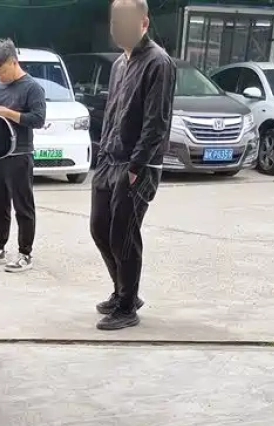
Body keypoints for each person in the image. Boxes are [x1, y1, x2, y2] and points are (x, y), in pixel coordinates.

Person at [89, 0, 175, 330]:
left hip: (138, 165)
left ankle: (127, 307)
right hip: (109, 161)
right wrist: (101, 158)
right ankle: (124, 291)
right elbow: (112, 115)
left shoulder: (158, 63)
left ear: (144, 23)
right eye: (115, 21)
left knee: (123, 235)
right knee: (100, 228)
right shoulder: (118, 65)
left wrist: (137, 166)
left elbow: (156, 123)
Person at [0, 39, 47, 273]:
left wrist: (9, 113)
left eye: (2, 71)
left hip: (19, 154)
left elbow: (38, 119)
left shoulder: (32, 88)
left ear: (14, 62)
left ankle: (25, 253)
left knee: (23, 206)